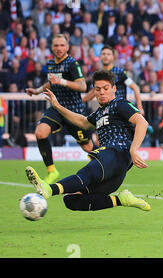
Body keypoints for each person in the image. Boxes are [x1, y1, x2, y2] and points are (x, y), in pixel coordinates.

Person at [25, 70, 151, 212]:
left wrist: (133, 150)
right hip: (113, 168)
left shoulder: (119, 104)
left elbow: (142, 122)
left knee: (88, 173)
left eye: (105, 88)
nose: (102, 92)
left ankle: (49, 189)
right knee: (72, 200)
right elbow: (82, 121)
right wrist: (58, 106)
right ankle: (122, 200)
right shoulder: (98, 113)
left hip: (117, 152)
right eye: (98, 89)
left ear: (114, 89)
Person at [25, 34, 94, 184]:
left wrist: (62, 81)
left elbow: (82, 86)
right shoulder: (50, 64)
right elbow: (51, 82)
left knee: (88, 147)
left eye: (62, 45)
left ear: (67, 47)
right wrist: (37, 91)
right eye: (56, 45)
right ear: (52, 47)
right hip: (56, 107)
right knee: (40, 132)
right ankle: (52, 171)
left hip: (74, 111)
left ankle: (103, 166)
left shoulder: (72, 64)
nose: (59, 48)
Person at [82, 45, 144, 115]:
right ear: (100, 57)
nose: (106, 56)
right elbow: (93, 92)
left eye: (108, 54)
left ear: (113, 57)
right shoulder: (97, 75)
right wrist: (81, 101)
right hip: (105, 112)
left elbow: (135, 87)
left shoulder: (120, 72)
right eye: (103, 54)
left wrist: (140, 107)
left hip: (120, 110)